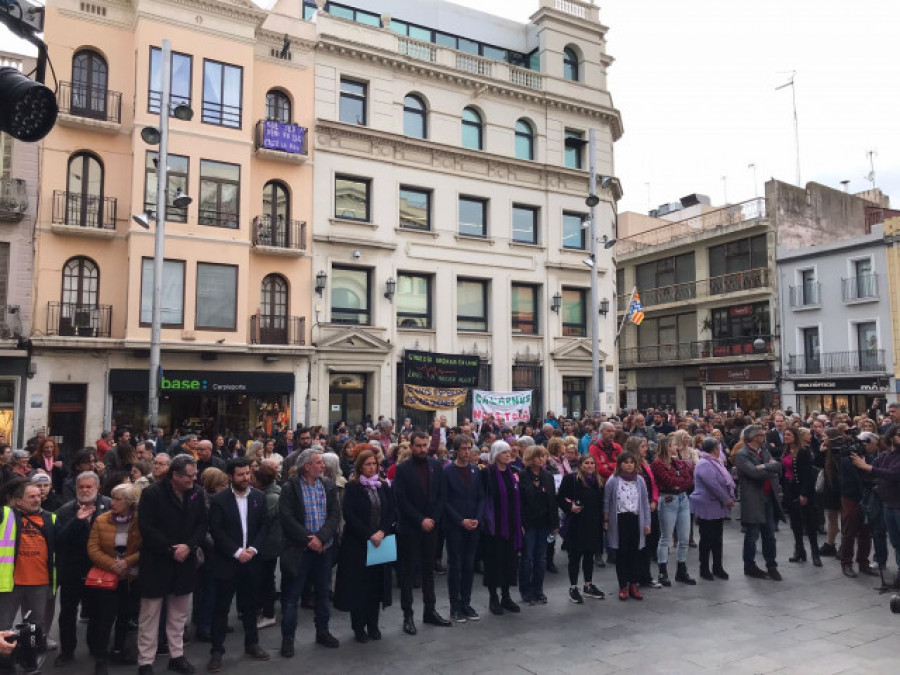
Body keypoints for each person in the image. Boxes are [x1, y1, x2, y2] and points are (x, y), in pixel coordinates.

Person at [136, 455, 208, 675]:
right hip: (157, 561)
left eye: (195, 474)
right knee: (150, 615)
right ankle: (145, 662)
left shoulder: (197, 493)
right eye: (190, 475)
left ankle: (176, 656)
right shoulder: (152, 494)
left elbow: (202, 523)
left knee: (179, 615)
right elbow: (146, 527)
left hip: (184, 562)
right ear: (175, 475)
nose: (194, 479)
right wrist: (170, 549)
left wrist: (189, 545)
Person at [206, 458, 271, 672]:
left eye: (247, 474)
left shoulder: (259, 498)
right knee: (220, 609)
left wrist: (252, 550)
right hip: (227, 562)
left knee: (251, 606)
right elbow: (216, 530)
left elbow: (264, 526)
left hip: (251, 562)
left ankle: (252, 644)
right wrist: (236, 552)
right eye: (241, 474)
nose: (246, 478)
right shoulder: (219, 500)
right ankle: (217, 651)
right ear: (230, 477)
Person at [279, 448, 341, 656]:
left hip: (324, 549)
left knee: (323, 593)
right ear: (307, 466)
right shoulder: (290, 487)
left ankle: (322, 631)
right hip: (300, 550)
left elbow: (334, 514)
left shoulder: (328, 485)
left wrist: (321, 538)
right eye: (319, 462)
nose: (323, 465)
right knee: (291, 596)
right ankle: (288, 638)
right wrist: (309, 539)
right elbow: (286, 518)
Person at [333, 450, 395, 643]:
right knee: (359, 586)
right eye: (367, 464)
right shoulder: (353, 487)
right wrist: (369, 535)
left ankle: (373, 624)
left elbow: (391, 512)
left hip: (381, 541)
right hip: (358, 544)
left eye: (374, 464)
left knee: (376, 586)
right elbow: (350, 515)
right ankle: (359, 627)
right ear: (360, 467)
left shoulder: (383, 486)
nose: (371, 467)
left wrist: (382, 532)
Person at [392, 431, 450, 634]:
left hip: (432, 527)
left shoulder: (435, 466)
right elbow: (401, 500)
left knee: (428, 571)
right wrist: (420, 520)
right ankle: (408, 615)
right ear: (411, 446)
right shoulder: (403, 469)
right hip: (411, 527)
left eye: (425, 445)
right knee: (408, 573)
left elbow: (442, 495)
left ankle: (430, 610)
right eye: (418, 446)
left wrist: (433, 519)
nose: (422, 449)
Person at [53, 471, 110, 667]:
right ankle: (67, 651)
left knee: (97, 611)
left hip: (100, 569)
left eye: (89, 487)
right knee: (67, 613)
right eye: (81, 487)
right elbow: (59, 539)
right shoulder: (65, 510)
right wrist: (77, 521)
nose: (85, 490)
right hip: (72, 570)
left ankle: (96, 648)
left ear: (97, 488)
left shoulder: (109, 506)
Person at [86, 483, 142, 675]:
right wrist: (113, 565)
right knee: (105, 618)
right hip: (108, 577)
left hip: (131, 577)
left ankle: (119, 648)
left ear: (129, 503)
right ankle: (101, 659)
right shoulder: (101, 520)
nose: (113, 502)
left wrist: (128, 562)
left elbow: (146, 547)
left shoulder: (139, 521)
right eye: (112, 497)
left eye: (118, 499)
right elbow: (93, 549)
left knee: (126, 616)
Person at [0, 480, 58, 637]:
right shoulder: (5, 514)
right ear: (18, 500)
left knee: (35, 628)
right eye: (31, 496)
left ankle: (30, 657)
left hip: (40, 582)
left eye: (39, 496)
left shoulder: (51, 518)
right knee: (3, 627)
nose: (37, 500)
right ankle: (4, 658)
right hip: (10, 583)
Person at [851, 424, 900, 587]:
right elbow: (871, 470)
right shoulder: (886, 455)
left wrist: (867, 467)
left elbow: (893, 474)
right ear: (892, 436)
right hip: (888, 503)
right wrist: (858, 459)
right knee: (895, 540)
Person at [442, 435, 484, 622]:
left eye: (469, 448)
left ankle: (466, 602)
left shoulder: (476, 470)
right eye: (464, 449)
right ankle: (455, 605)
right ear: (456, 450)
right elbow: (444, 500)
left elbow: (481, 497)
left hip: (473, 524)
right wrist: (460, 520)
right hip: (455, 526)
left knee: (469, 564)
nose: (467, 452)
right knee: (455, 565)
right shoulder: (447, 471)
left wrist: (477, 518)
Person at [735, 425, 784, 581]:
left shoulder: (764, 450)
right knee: (752, 534)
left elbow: (777, 466)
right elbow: (753, 473)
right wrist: (768, 470)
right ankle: (749, 565)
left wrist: (763, 466)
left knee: (769, 534)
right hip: (754, 498)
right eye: (762, 435)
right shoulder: (742, 454)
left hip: (769, 497)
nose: (765, 437)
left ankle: (772, 565)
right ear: (754, 437)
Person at [480, 440, 523, 615]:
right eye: (504, 452)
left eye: (509, 452)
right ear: (496, 454)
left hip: (511, 524)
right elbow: (483, 497)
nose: (508, 455)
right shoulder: (488, 473)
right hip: (494, 525)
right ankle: (493, 597)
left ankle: (506, 595)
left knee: (509, 561)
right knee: (493, 562)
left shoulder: (513, 472)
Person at [557, 454, 605, 603]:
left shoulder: (598, 481)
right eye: (586, 463)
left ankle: (588, 585)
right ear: (580, 465)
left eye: (592, 463)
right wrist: (570, 506)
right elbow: (559, 498)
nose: (590, 466)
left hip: (593, 523)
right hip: (576, 524)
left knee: (589, 555)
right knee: (575, 557)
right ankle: (573, 587)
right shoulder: (571, 479)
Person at [604, 452, 652, 600]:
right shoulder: (613, 480)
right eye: (626, 462)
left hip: (636, 519)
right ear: (620, 464)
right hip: (620, 520)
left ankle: (633, 584)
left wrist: (647, 523)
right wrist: (606, 520)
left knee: (635, 553)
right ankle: (623, 585)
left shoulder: (640, 480)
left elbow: (645, 502)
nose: (629, 465)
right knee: (622, 553)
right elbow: (607, 501)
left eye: (632, 462)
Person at [651, 436, 696, 586]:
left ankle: (681, 570)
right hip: (668, 499)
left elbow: (689, 479)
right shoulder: (657, 464)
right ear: (666, 447)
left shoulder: (677, 462)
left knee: (684, 538)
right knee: (666, 538)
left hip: (682, 498)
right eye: (673, 445)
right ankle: (662, 571)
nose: (675, 447)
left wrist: (680, 484)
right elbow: (669, 481)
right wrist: (679, 483)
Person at [518, 444, 558, 606]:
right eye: (537, 456)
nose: (541, 459)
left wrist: (555, 523)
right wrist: (520, 523)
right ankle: (526, 590)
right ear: (529, 458)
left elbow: (552, 501)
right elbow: (519, 502)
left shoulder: (547, 476)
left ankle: (538, 590)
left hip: (544, 523)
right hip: (528, 523)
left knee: (540, 559)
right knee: (527, 559)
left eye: (543, 456)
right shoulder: (521, 475)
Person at [690, 437, 735, 581]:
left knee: (717, 538)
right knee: (707, 539)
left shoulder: (716, 462)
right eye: (718, 447)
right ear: (715, 449)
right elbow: (713, 485)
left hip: (717, 506)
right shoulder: (704, 464)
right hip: (707, 506)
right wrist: (726, 499)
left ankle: (718, 567)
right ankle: (704, 568)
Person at [624, 436, 661, 589]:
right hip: (638, 509)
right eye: (643, 446)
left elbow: (653, 485)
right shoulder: (632, 466)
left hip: (650, 507)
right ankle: (637, 576)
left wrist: (654, 500)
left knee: (652, 538)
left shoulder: (646, 463)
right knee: (640, 543)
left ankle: (645, 575)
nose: (646, 449)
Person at [781, 427, 820, 567]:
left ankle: (815, 553)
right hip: (789, 489)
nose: (785, 437)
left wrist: (804, 493)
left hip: (802, 489)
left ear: (795, 436)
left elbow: (807, 475)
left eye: (788, 434)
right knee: (795, 523)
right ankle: (799, 551)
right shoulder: (785, 450)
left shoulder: (803, 452)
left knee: (809, 522)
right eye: (785, 434)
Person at [252, 460, 281, 631]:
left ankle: (269, 614)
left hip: (267, 546)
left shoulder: (270, 497)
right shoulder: (269, 493)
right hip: (268, 544)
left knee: (266, 579)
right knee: (266, 578)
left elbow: (262, 521)